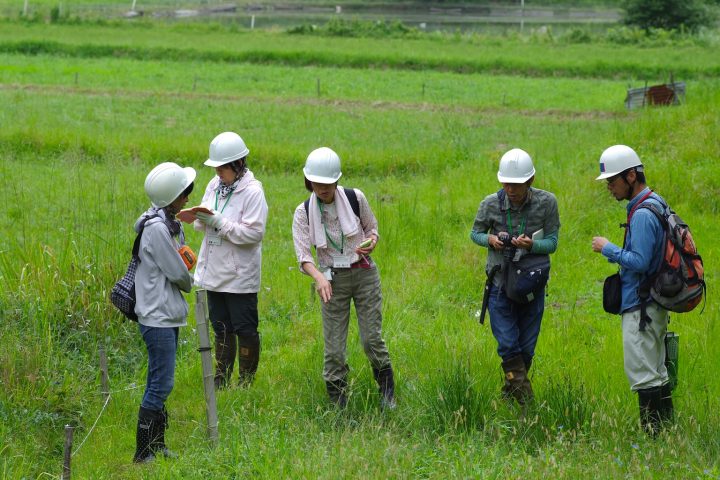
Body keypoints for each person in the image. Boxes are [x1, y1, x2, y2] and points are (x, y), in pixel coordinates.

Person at [291, 147, 396, 410]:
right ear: (308, 180)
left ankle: (387, 391)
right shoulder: (303, 212)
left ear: (337, 180)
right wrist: (319, 278)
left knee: (371, 339)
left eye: (328, 183)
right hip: (330, 280)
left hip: (363, 273)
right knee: (334, 348)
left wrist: (371, 242)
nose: (323, 188)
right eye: (317, 183)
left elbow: (372, 229)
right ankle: (338, 402)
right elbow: (303, 255)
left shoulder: (354, 198)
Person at [591, 144, 673, 436]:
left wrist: (608, 248)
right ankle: (666, 436)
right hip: (653, 302)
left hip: (642, 306)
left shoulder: (641, 214)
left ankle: (654, 440)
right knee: (657, 371)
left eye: (612, 181)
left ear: (630, 176)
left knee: (644, 374)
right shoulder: (656, 202)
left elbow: (640, 261)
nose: (609, 188)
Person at [470, 148, 560, 408]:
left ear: (530, 181)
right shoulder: (489, 204)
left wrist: (531, 245)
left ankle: (511, 397)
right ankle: (527, 404)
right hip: (500, 284)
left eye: (517, 185)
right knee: (509, 346)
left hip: (532, 284)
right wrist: (490, 239)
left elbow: (553, 243)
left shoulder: (547, 203)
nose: (511, 189)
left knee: (526, 350)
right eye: (506, 183)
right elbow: (475, 233)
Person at [193, 131, 268, 389]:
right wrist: (200, 218)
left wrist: (219, 222)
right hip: (214, 269)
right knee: (221, 328)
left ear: (238, 165)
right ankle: (221, 379)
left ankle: (246, 383)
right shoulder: (214, 186)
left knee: (245, 329)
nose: (218, 173)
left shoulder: (253, 192)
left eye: (222, 168)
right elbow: (206, 215)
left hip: (239, 274)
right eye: (216, 168)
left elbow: (254, 234)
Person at [133, 162, 196, 463]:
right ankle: (143, 451)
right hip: (157, 315)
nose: (187, 197)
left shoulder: (167, 222)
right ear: (172, 197)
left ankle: (157, 445)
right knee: (162, 383)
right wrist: (190, 277)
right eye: (185, 192)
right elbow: (179, 274)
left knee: (159, 380)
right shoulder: (158, 228)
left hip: (164, 313)